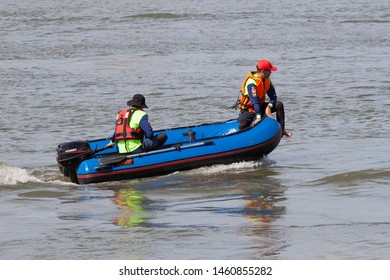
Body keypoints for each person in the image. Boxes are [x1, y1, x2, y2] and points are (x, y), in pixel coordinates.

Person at [237, 59, 292, 137]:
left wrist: (269, 107)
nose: (271, 72)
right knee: (243, 126)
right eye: (269, 70)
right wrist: (258, 117)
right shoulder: (251, 82)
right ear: (263, 71)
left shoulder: (267, 80)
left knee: (279, 104)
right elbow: (254, 100)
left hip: (260, 106)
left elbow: (273, 96)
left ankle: (282, 130)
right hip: (248, 110)